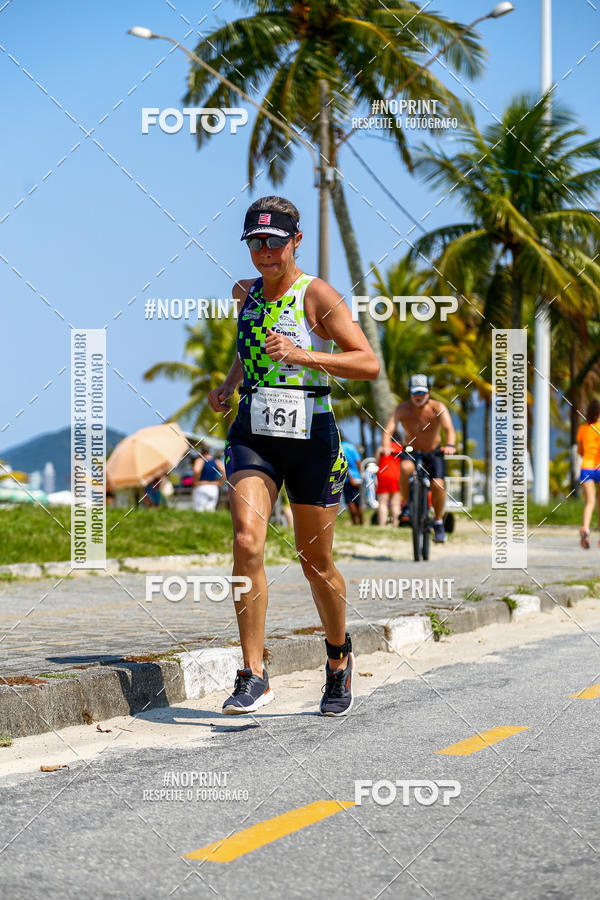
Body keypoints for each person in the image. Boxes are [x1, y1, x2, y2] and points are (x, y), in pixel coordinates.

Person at [208, 195, 379, 716]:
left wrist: (305, 353)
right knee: (245, 541)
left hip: (312, 437)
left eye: (275, 243)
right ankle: (254, 672)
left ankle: (338, 657)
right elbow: (250, 349)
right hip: (254, 433)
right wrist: (231, 383)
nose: (265, 253)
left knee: (315, 562)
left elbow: (367, 363)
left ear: (295, 241)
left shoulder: (316, 295)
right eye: (256, 243)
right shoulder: (245, 293)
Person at [382, 374, 456, 543]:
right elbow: (388, 430)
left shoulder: (438, 407)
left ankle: (438, 521)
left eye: (422, 393)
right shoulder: (402, 409)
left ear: (429, 393)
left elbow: (449, 429)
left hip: (433, 452)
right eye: (415, 393)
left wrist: (450, 445)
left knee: (438, 484)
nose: (418, 396)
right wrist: (385, 446)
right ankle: (408, 505)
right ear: (410, 393)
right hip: (412, 450)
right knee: (405, 468)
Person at [576, 398, 600, 548]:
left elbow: (579, 451)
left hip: (586, 467)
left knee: (590, 502)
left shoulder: (582, 429)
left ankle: (585, 528)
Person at [375, 437, 403, 526]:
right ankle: (396, 525)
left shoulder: (381, 448)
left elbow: (377, 462)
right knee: (396, 504)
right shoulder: (400, 448)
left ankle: (382, 525)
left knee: (382, 503)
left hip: (384, 475)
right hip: (397, 476)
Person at [192, 444, 225, 512]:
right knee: (210, 511)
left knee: (199, 511)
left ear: (201, 452)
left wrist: (195, 482)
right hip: (213, 488)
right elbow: (224, 472)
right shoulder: (216, 461)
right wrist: (220, 483)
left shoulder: (200, 460)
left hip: (201, 486)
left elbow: (196, 471)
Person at [340, 435, 363, 525]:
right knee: (358, 502)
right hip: (357, 478)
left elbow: (343, 464)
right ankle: (361, 523)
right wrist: (359, 476)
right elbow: (358, 462)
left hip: (347, 479)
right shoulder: (351, 446)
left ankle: (355, 523)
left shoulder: (339, 448)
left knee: (350, 501)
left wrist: (350, 477)